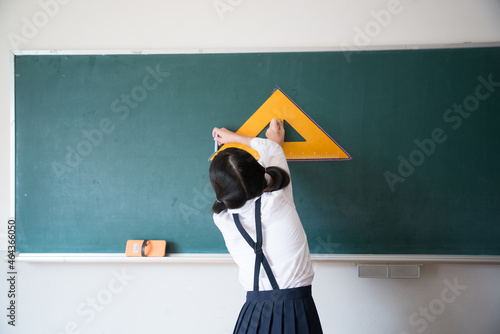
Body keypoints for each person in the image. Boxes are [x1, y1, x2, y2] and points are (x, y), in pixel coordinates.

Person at [209, 119, 323, 334]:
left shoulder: (222, 219)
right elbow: (270, 148)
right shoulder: (278, 199)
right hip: (296, 311)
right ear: (261, 173)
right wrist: (232, 137)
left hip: (252, 316)